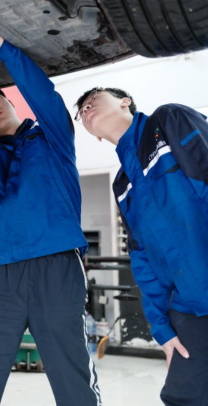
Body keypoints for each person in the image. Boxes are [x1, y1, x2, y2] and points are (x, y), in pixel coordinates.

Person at [0, 30, 102, 406]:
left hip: (57, 266)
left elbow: (45, 97)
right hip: (1, 276)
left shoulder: (53, 141)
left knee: (73, 381)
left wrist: (5, 49)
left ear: (12, 102)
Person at [75, 87, 208, 405]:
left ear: (125, 102)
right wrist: (162, 328)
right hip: (188, 306)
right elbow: (142, 258)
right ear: (93, 135)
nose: (86, 107)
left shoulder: (168, 120)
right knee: (183, 397)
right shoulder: (123, 183)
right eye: (81, 111)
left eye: (94, 98)